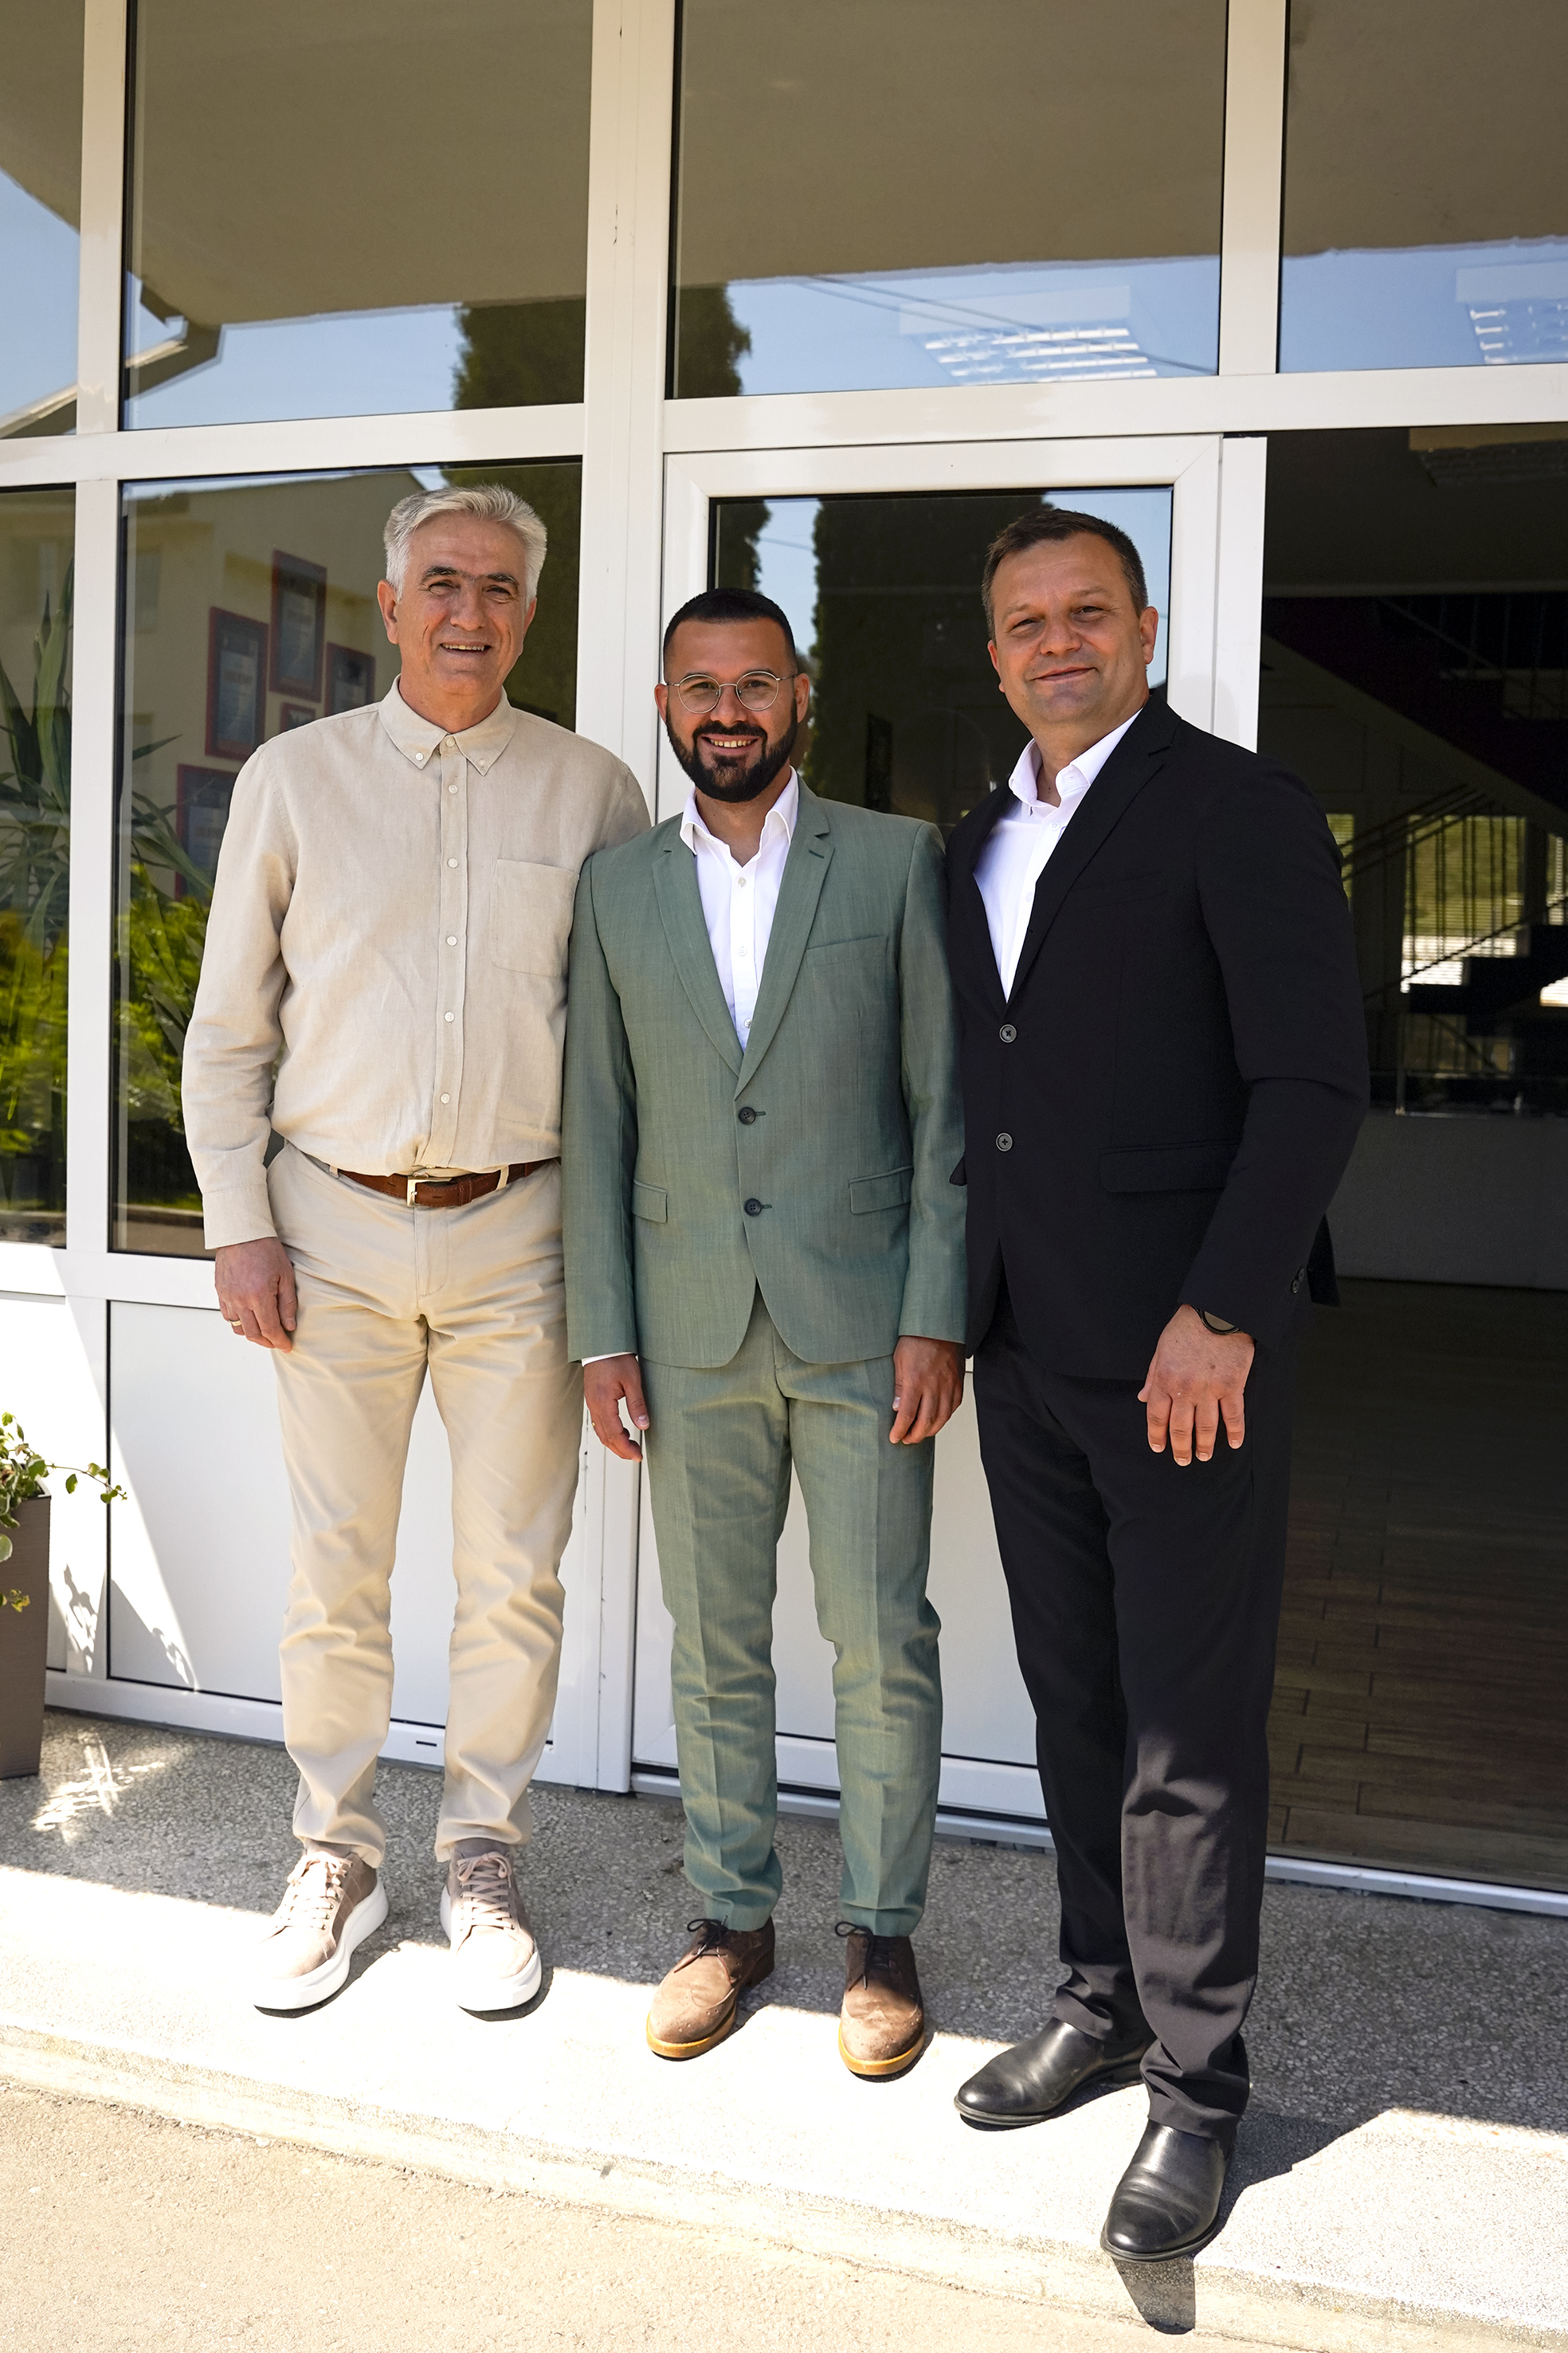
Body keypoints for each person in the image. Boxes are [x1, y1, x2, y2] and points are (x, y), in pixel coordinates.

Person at [944, 508, 1367, 2260]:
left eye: (1089, 611)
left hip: (1186, 1360)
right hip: (1025, 1347)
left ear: (1145, 630)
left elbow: (1312, 1084)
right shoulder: (977, 836)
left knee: (1187, 1732)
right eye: (1027, 621)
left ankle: (1198, 2089)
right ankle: (1100, 1996)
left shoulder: (1238, 809)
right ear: (995, 656)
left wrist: (1223, 1309)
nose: (1059, 640)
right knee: (1076, 1702)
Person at [182, 484, 649, 2015]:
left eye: (499, 587)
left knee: (514, 1570)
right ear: (390, 606)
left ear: (531, 613)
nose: (470, 611)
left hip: (524, 1232)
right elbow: (229, 1033)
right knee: (338, 1570)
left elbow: (626, 1052)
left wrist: (618, 1276)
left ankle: (481, 1855)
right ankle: (336, 1851)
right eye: (442, 582)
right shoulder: (295, 780)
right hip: (330, 1230)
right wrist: (241, 1225)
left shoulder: (593, 793)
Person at [562, 586, 966, 2077]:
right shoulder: (615, 887)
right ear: (665, 705)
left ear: (801, 694)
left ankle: (881, 1934)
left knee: (881, 1640)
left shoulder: (896, 860)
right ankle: (732, 1921)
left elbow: (943, 1109)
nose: (726, 711)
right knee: (715, 1642)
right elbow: (596, 1123)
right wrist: (604, 1332)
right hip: (685, 1328)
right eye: (699, 686)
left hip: (866, 1327)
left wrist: (937, 1314)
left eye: (753, 684)